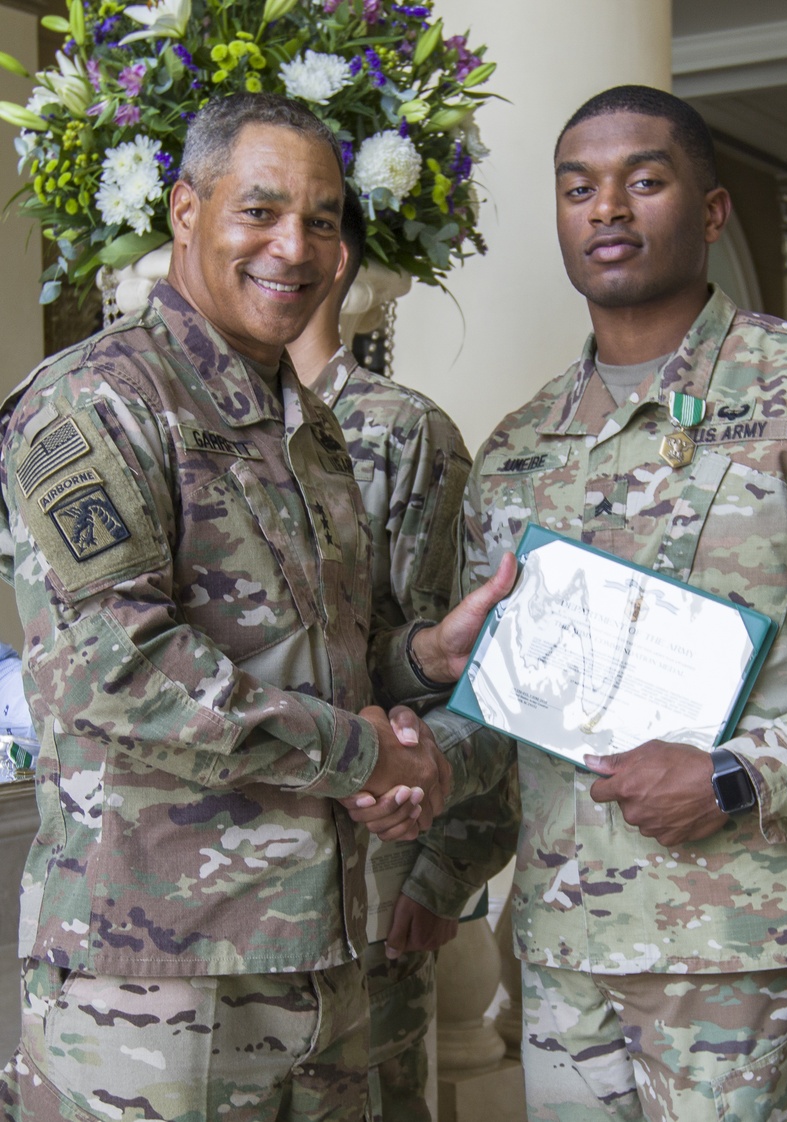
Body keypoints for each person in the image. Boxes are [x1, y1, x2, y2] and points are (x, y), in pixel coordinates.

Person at [457, 85, 787, 1121]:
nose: (606, 208)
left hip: (750, 955)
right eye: (578, 189)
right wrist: (436, 855)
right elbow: (499, 702)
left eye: (642, 180)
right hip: (564, 953)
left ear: (709, 211)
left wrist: (742, 775)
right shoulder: (518, 449)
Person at [0, 91, 513, 1122]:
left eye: (323, 220)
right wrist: (375, 757)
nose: (297, 246)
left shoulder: (310, 431)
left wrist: (423, 661)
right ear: (185, 211)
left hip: (325, 964)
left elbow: (324, 662)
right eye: (261, 212)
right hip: (156, 976)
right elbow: (124, 674)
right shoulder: (97, 402)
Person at [288, 186, 515, 1122]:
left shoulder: (401, 432)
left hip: (372, 862)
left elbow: (468, 666)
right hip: (221, 872)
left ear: (341, 263)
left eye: (311, 229)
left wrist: (447, 866)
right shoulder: (184, 427)